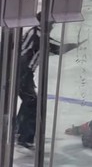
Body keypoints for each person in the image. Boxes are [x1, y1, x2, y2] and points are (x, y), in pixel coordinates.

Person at [17, 12, 80, 150]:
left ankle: (18, 130)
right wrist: (75, 45)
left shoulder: (34, 32)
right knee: (33, 103)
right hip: (22, 73)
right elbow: (57, 48)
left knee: (29, 101)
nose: (52, 27)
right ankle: (25, 138)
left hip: (20, 72)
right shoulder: (40, 36)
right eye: (52, 24)